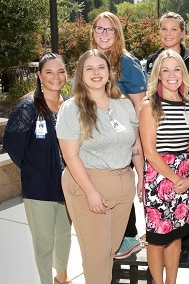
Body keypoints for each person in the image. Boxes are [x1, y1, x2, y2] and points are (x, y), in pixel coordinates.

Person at [56, 49, 144, 284]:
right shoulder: (72, 108)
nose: (96, 73)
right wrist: (91, 192)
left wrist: (142, 178)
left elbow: (135, 143)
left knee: (109, 252)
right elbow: (70, 156)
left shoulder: (123, 105)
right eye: (89, 68)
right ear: (81, 75)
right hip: (89, 186)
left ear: (109, 73)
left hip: (123, 186)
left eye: (101, 67)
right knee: (96, 257)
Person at [145, 12, 189, 261]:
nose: (169, 34)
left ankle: (185, 244)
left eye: (174, 29)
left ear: (182, 33)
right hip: (159, 170)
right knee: (159, 236)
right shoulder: (152, 63)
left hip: (185, 162)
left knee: (178, 232)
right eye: (164, 28)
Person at [3, 53, 72, 284]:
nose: (56, 77)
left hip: (67, 186)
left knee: (63, 235)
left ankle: (61, 278)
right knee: (44, 242)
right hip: (39, 188)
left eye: (60, 71)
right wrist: (35, 169)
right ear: (39, 75)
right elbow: (12, 144)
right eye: (49, 72)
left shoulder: (69, 104)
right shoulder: (28, 107)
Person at [139, 50, 189, 284]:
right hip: (159, 178)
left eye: (177, 69)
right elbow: (150, 152)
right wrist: (176, 179)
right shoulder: (150, 106)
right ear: (158, 75)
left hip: (185, 175)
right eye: (166, 70)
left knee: (175, 236)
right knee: (157, 238)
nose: (172, 75)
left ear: (183, 74)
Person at [91, 11, 147, 259]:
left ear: (117, 33)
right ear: (92, 31)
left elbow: (139, 106)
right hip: (93, 141)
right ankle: (109, 239)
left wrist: (135, 141)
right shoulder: (88, 59)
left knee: (118, 187)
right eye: (99, 28)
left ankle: (128, 237)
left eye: (109, 29)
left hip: (122, 139)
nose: (104, 34)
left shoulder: (127, 63)